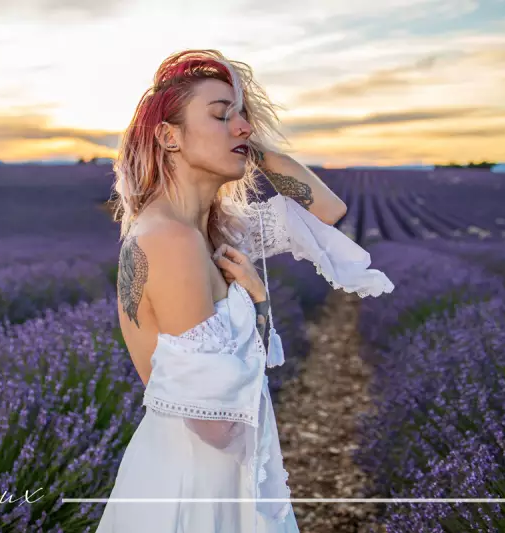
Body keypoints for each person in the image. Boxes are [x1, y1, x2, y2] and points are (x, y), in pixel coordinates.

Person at [97, 49, 394, 533]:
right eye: (220, 115)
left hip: (207, 474)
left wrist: (249, 144)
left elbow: (328, 210)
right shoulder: (171, 240)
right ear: (169, 137)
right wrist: (257, 306)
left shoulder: (211, 231)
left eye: (244, 118)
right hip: (197, 489)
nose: (241, 127)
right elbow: (215, 426)